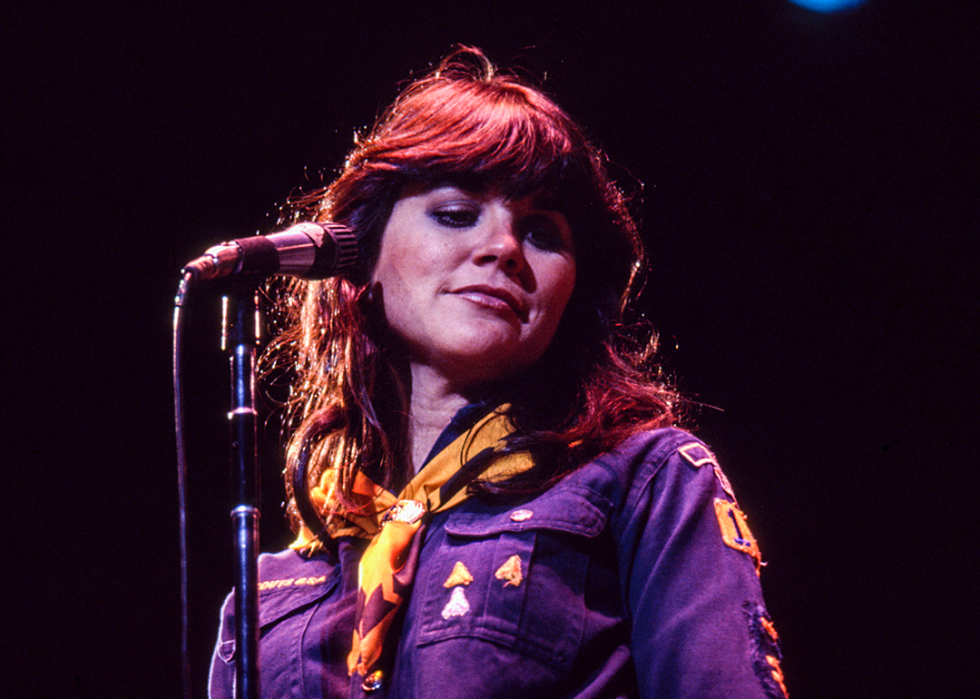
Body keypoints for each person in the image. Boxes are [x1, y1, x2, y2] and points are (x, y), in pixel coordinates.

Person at [208, 47, 787, 699]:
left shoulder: (647, 482)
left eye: (542, 233)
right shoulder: (264, 595)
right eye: (457, 214)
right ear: (357, 254)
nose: (505, 248)